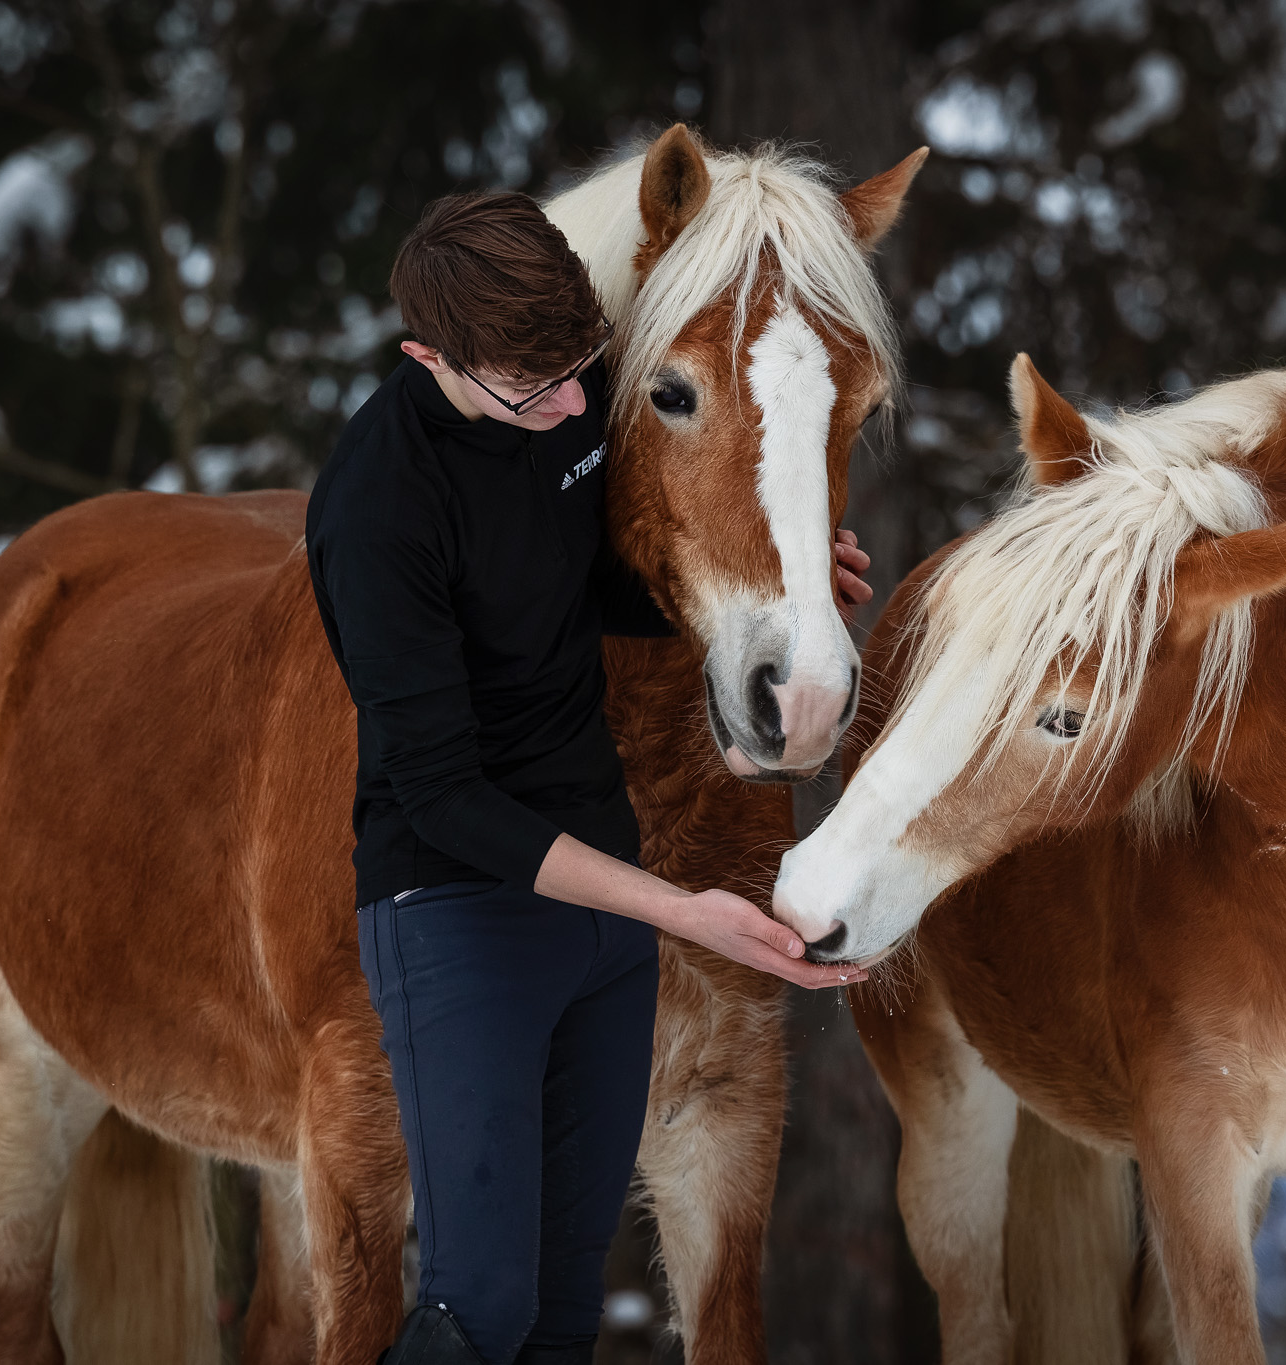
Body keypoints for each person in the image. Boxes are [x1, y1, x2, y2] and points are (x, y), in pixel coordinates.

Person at [305, 192, 869, 1365]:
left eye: (580, 374)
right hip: (459, 916)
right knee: (479, 1314)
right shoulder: (378, 507)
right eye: (536, 391)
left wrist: (773, 580)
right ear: (429, 357)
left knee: (562, 1323)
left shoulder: (560, 391)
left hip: (599, 918)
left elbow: (589, 589)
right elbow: (439, 794)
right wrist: (674, 910)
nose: (570, 409)